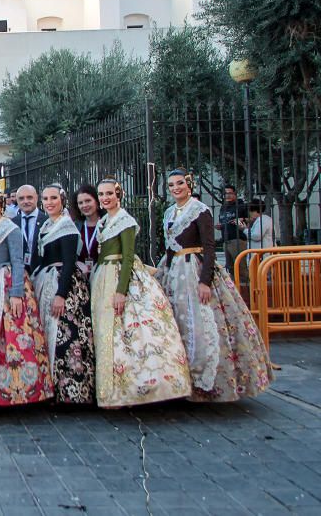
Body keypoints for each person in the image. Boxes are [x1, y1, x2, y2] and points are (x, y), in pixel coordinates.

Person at [159, 170, 272, 401]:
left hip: (194, 270)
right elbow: (169, 248)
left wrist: (205, 281)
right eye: (171, 185)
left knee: (201, 324)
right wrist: (163, 272)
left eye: (180, 183)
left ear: (189, 184)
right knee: (176, 322)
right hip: (174, 272)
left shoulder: (200, 210)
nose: (176, 188)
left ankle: (204, 382)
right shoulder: (170, 212)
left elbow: (209, 247)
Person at [91, 179, 191, 408]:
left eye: (109, 193)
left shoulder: (125, 221)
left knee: (123, 333)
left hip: (118, 276)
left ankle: (128, 390)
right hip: (102, 276)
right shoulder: (105, 220)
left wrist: (121, 291)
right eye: (101, 194)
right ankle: (111, 389)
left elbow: (127, 257)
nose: (105, 198)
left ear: (118, 195)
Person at [0, 189, 52, 406]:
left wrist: (16, 294)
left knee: (5, 338)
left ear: (1, 203)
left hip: (4, 286)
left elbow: (17, 262)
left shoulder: (11, 229)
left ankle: (9, 392)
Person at [31, 185, 95, 404]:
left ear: (62, 200)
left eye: (53, 198)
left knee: (66, 338)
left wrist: (61, 294)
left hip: (64, 287)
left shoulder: (66, 226)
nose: (49, 202)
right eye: (46, 198)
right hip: (46, 282)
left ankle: (69, 391)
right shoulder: (47, 225)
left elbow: (68, 264)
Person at [217, 184, 248, 278]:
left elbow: (250, 218)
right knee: (229, 268)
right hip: (226, 240)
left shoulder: (241, 205)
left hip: (237, 239)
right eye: (225, 193)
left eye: (230, 193)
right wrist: (220, 226)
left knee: (240, 267)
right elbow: (223, 221)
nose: (228, 195)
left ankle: (246, 287)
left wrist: (242, 219)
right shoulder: (223, 207)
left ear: (235, 194)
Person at [73, 185, 104, 277]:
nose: (84, 205)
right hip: (82, 277)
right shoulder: (75, 226)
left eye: (88, 201)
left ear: (97, 201)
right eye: (80, 203)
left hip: (102, 276)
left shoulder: (107, 224)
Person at [16, 185, 43, 273]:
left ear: (36, 198)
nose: (26, 201)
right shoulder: (12, 223)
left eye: (29, 197)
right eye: (21, 198)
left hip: (42, 273)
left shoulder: (47, 221)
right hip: (20, 275)